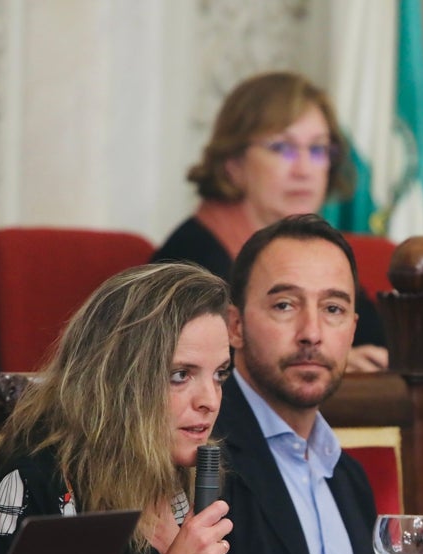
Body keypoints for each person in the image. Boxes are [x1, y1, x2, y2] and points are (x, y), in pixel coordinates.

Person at [0, 263, 254, 554]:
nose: (210, 399)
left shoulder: (182, 485)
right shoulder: (41, 485)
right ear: (117, 380)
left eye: (220, 375)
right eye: (180, 375)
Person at [215, 213, 386, 554]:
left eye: (333, 309)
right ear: (234, 326)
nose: (311, 333)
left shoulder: (349, 477)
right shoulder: (201, 462)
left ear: (352, 328)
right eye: (285, 305)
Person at [154, 70, 389, 372]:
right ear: (233, 163)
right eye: (282, 148)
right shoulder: (189, 259)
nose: (304, 170)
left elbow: (380, 346)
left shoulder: (320, 255)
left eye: (318, 149)